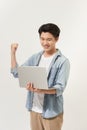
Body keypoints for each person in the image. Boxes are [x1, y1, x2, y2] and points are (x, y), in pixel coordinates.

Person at [11, 23, 70, 130]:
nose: (45, 43)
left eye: (49, 39)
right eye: (42, 39)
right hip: (34, 109)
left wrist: (41, 90)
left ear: (57, 39)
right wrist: (13, 52)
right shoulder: (36, 57)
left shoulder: (62, 62)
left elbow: (60, 88)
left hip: (51, 112)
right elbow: (17, 73)